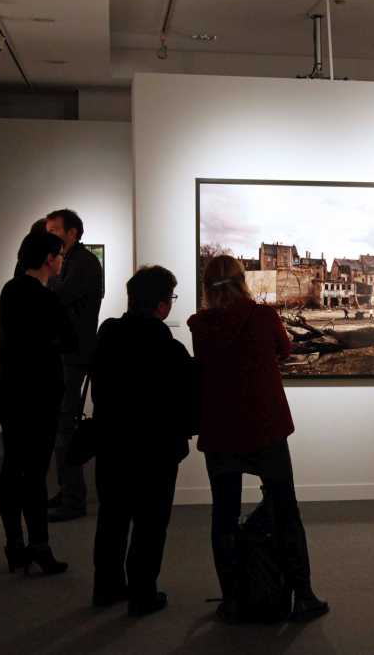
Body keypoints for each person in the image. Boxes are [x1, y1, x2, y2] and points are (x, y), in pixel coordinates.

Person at [187, 255, 329, 624]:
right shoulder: (262, 316)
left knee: (224, 516)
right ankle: (303, 595)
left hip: (221, 430)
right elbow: (285, 350)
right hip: (264, 426)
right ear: (241, 281)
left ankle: (232, 598)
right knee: (285, 511)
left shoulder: (200, 325)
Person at [91, 266, 196, 617]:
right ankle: (142, 593)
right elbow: (186, 399)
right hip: (155, 450)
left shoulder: (108, 334)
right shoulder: (169, 349)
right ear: (163, 305)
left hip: (112, 443)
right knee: (150, 525)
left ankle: (106, 588)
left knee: (112, 519)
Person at [0, 231, 75, 575]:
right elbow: (70, 340)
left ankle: (15, 544)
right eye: (59, 255)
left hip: (12, 390)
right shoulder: (49, 299)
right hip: (40, 394)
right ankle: (40, 545)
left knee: (12, 466)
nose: (61, 261)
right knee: (37, 473)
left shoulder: (9, 291)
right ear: (48, 259)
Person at [45, 208, 103, 522]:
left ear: (73, 233)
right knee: (62, 424)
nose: (49, 235)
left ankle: (74, 499)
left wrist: (47, 278)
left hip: (75, 355)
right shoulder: (72, 261)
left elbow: (60, 297)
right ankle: (67, 490)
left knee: (65, 425)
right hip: (67, 353)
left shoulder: (83, 263)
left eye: (55, 230)